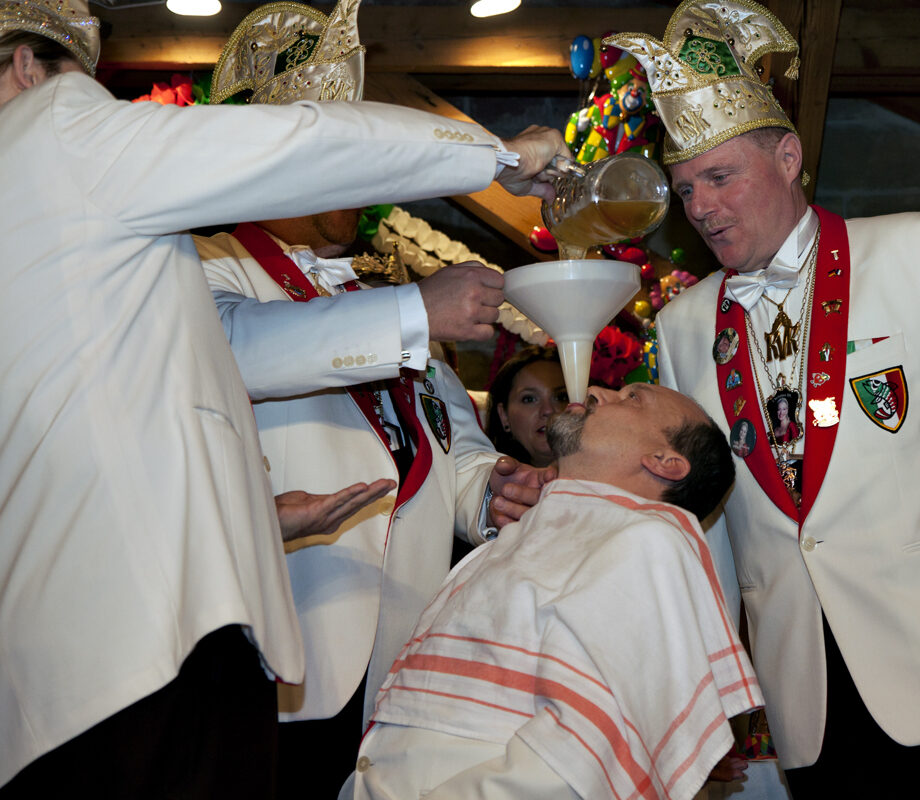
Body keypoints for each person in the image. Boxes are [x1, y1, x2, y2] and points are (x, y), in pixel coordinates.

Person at [0, 2, 567, 798]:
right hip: (148, 646)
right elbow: (302, 147)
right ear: (29, 70)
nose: (105, 108)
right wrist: (499, 155)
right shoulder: (51, 129)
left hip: (28, 677)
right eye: (92, 85)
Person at [608, 2, 920, 796]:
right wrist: (711, 694)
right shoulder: (684, 323)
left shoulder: (919, 251)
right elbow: (713, 523)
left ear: (789, 157)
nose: (699, 208)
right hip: (808, 694)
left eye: (720, 178)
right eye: (686, 187)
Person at [193, 4, 565, 797]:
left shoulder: (375, 295)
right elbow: (240, 350)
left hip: (402, 668)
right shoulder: (204, 265)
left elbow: (449, 443)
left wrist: (488, 491)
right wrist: (414, 310)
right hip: (273, 661)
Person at [345, 383, 760, 800]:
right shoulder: (533, 534)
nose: (595, 391)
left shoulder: (647, 541)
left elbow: (579, 760)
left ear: (664, 462)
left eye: (632, 399)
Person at [485, 345, 567, 466]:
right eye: (529, 399)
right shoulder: (482, 475)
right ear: (504, 416)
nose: (548, 410)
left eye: (561, 397)